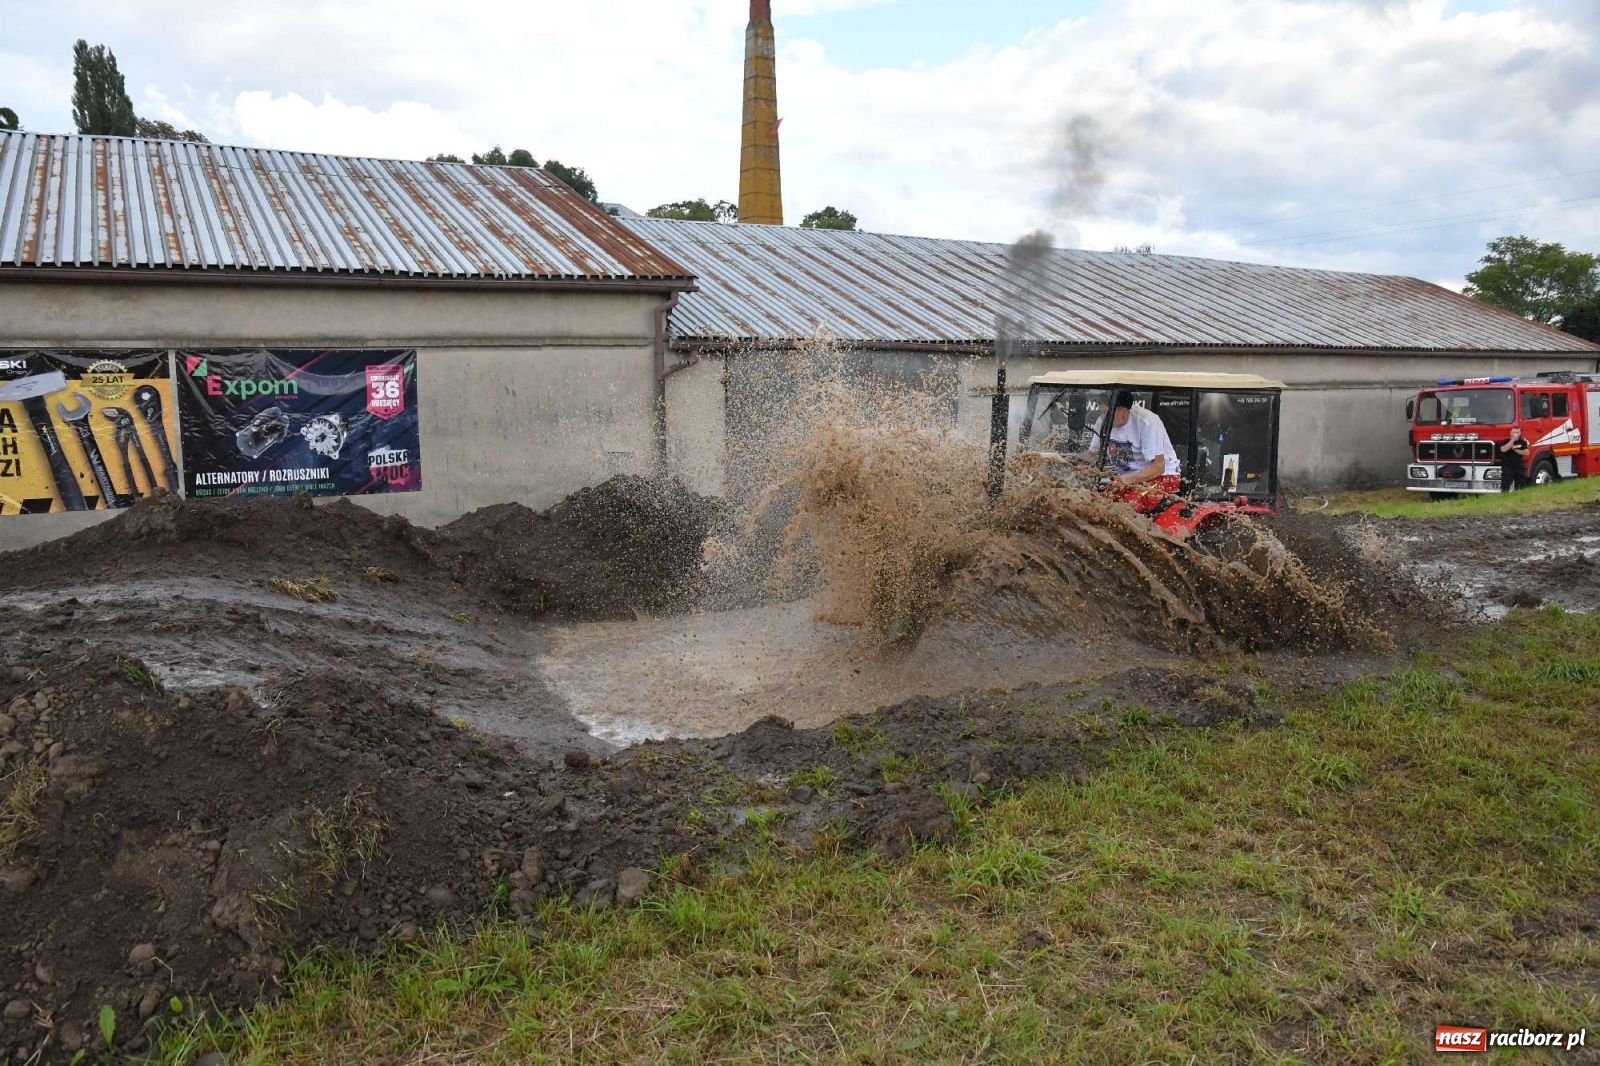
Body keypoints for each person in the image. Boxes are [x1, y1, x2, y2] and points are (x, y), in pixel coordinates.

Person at [1103, 390, 1182, 512]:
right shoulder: (1104, 421)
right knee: (1098, 501)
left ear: (1123, 411)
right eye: (1101, 413)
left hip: (1162, 476)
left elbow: (1159, 466)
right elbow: (1092, 454)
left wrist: (1126, 480)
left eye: (1106, 413)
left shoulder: (1147, 422)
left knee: (1126, 508)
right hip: (1128, 478)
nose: (1103, 417)